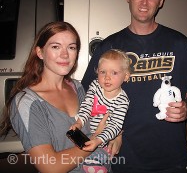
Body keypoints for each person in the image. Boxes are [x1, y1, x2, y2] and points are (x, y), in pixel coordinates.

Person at [81, 0, 187, 173]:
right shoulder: (108, 46)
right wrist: (112, 132)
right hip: (121, 158)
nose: (145, 1)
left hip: (170, 159)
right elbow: (89, 99)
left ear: (160, 1)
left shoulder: (180, 43)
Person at [0, 21, 119, 173]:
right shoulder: (28, 102)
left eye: (71, 47)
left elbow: (104, 119)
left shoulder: (77, 88)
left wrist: (116, 135)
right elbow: (50, 167)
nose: (64, 54)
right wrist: (95, 139)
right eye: (55, 47)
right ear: (40, 52)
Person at [70, 49, 130, 172]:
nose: (107, 77)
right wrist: (79, 122)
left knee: (95, 164)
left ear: (126, 76)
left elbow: (115, 126)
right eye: (102, 72)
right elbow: (86, 106)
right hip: (87, 135)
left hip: (103, 142)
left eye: (114, 73)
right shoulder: (95, 86)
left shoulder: (122, 100)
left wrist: (98, 140)